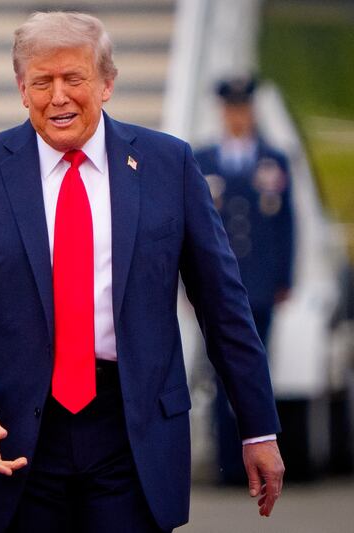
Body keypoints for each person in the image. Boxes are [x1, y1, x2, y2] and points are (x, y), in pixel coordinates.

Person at [0, 12, 284, 533]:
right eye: (41, 82)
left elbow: (223, 303)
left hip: (132, 433)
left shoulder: (169, 165)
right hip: (12, 432)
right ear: (21, 89)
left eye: (74, 78)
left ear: (107, 83)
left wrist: (258, 428)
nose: (58, 97)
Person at [194, 76, 295, 485]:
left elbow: (286, 224)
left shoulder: (273, 159)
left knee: (255, 368)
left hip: (259, 281)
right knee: (219, 371)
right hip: (217, 285)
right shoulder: (203, 158)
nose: (237, 116)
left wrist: (284, 277)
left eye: (243, 108)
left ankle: (259, 450)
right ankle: (227, 462)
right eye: (231, 108)